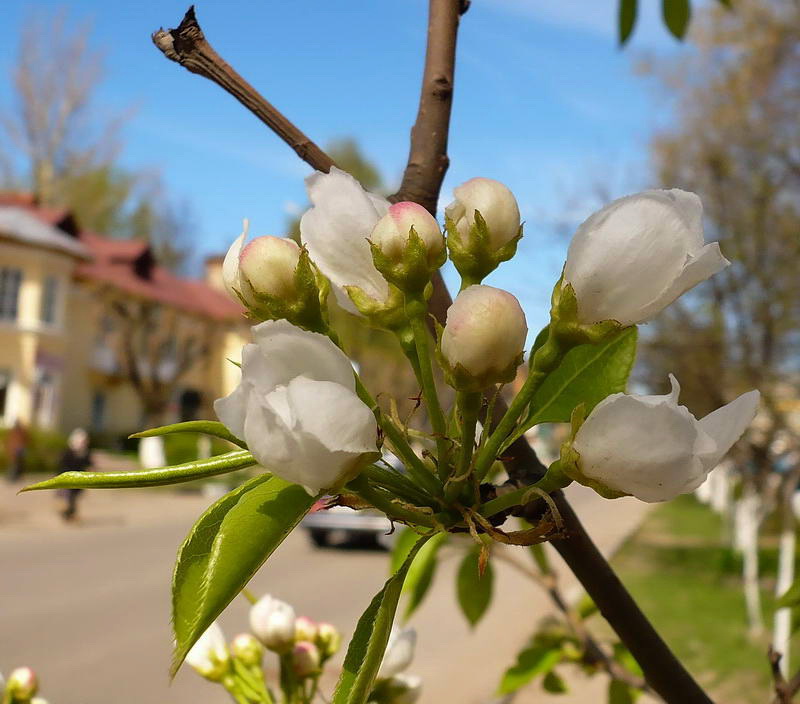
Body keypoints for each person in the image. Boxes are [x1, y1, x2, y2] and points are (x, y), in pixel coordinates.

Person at [57, 428, 92, 522]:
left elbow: (88, 463)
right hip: (67, 480)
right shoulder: (68, 452)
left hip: (79, 481)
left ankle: (69, 514)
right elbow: (62, 466)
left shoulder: (85, 452)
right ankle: (69, 515)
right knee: (69, 499)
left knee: (73, 499)